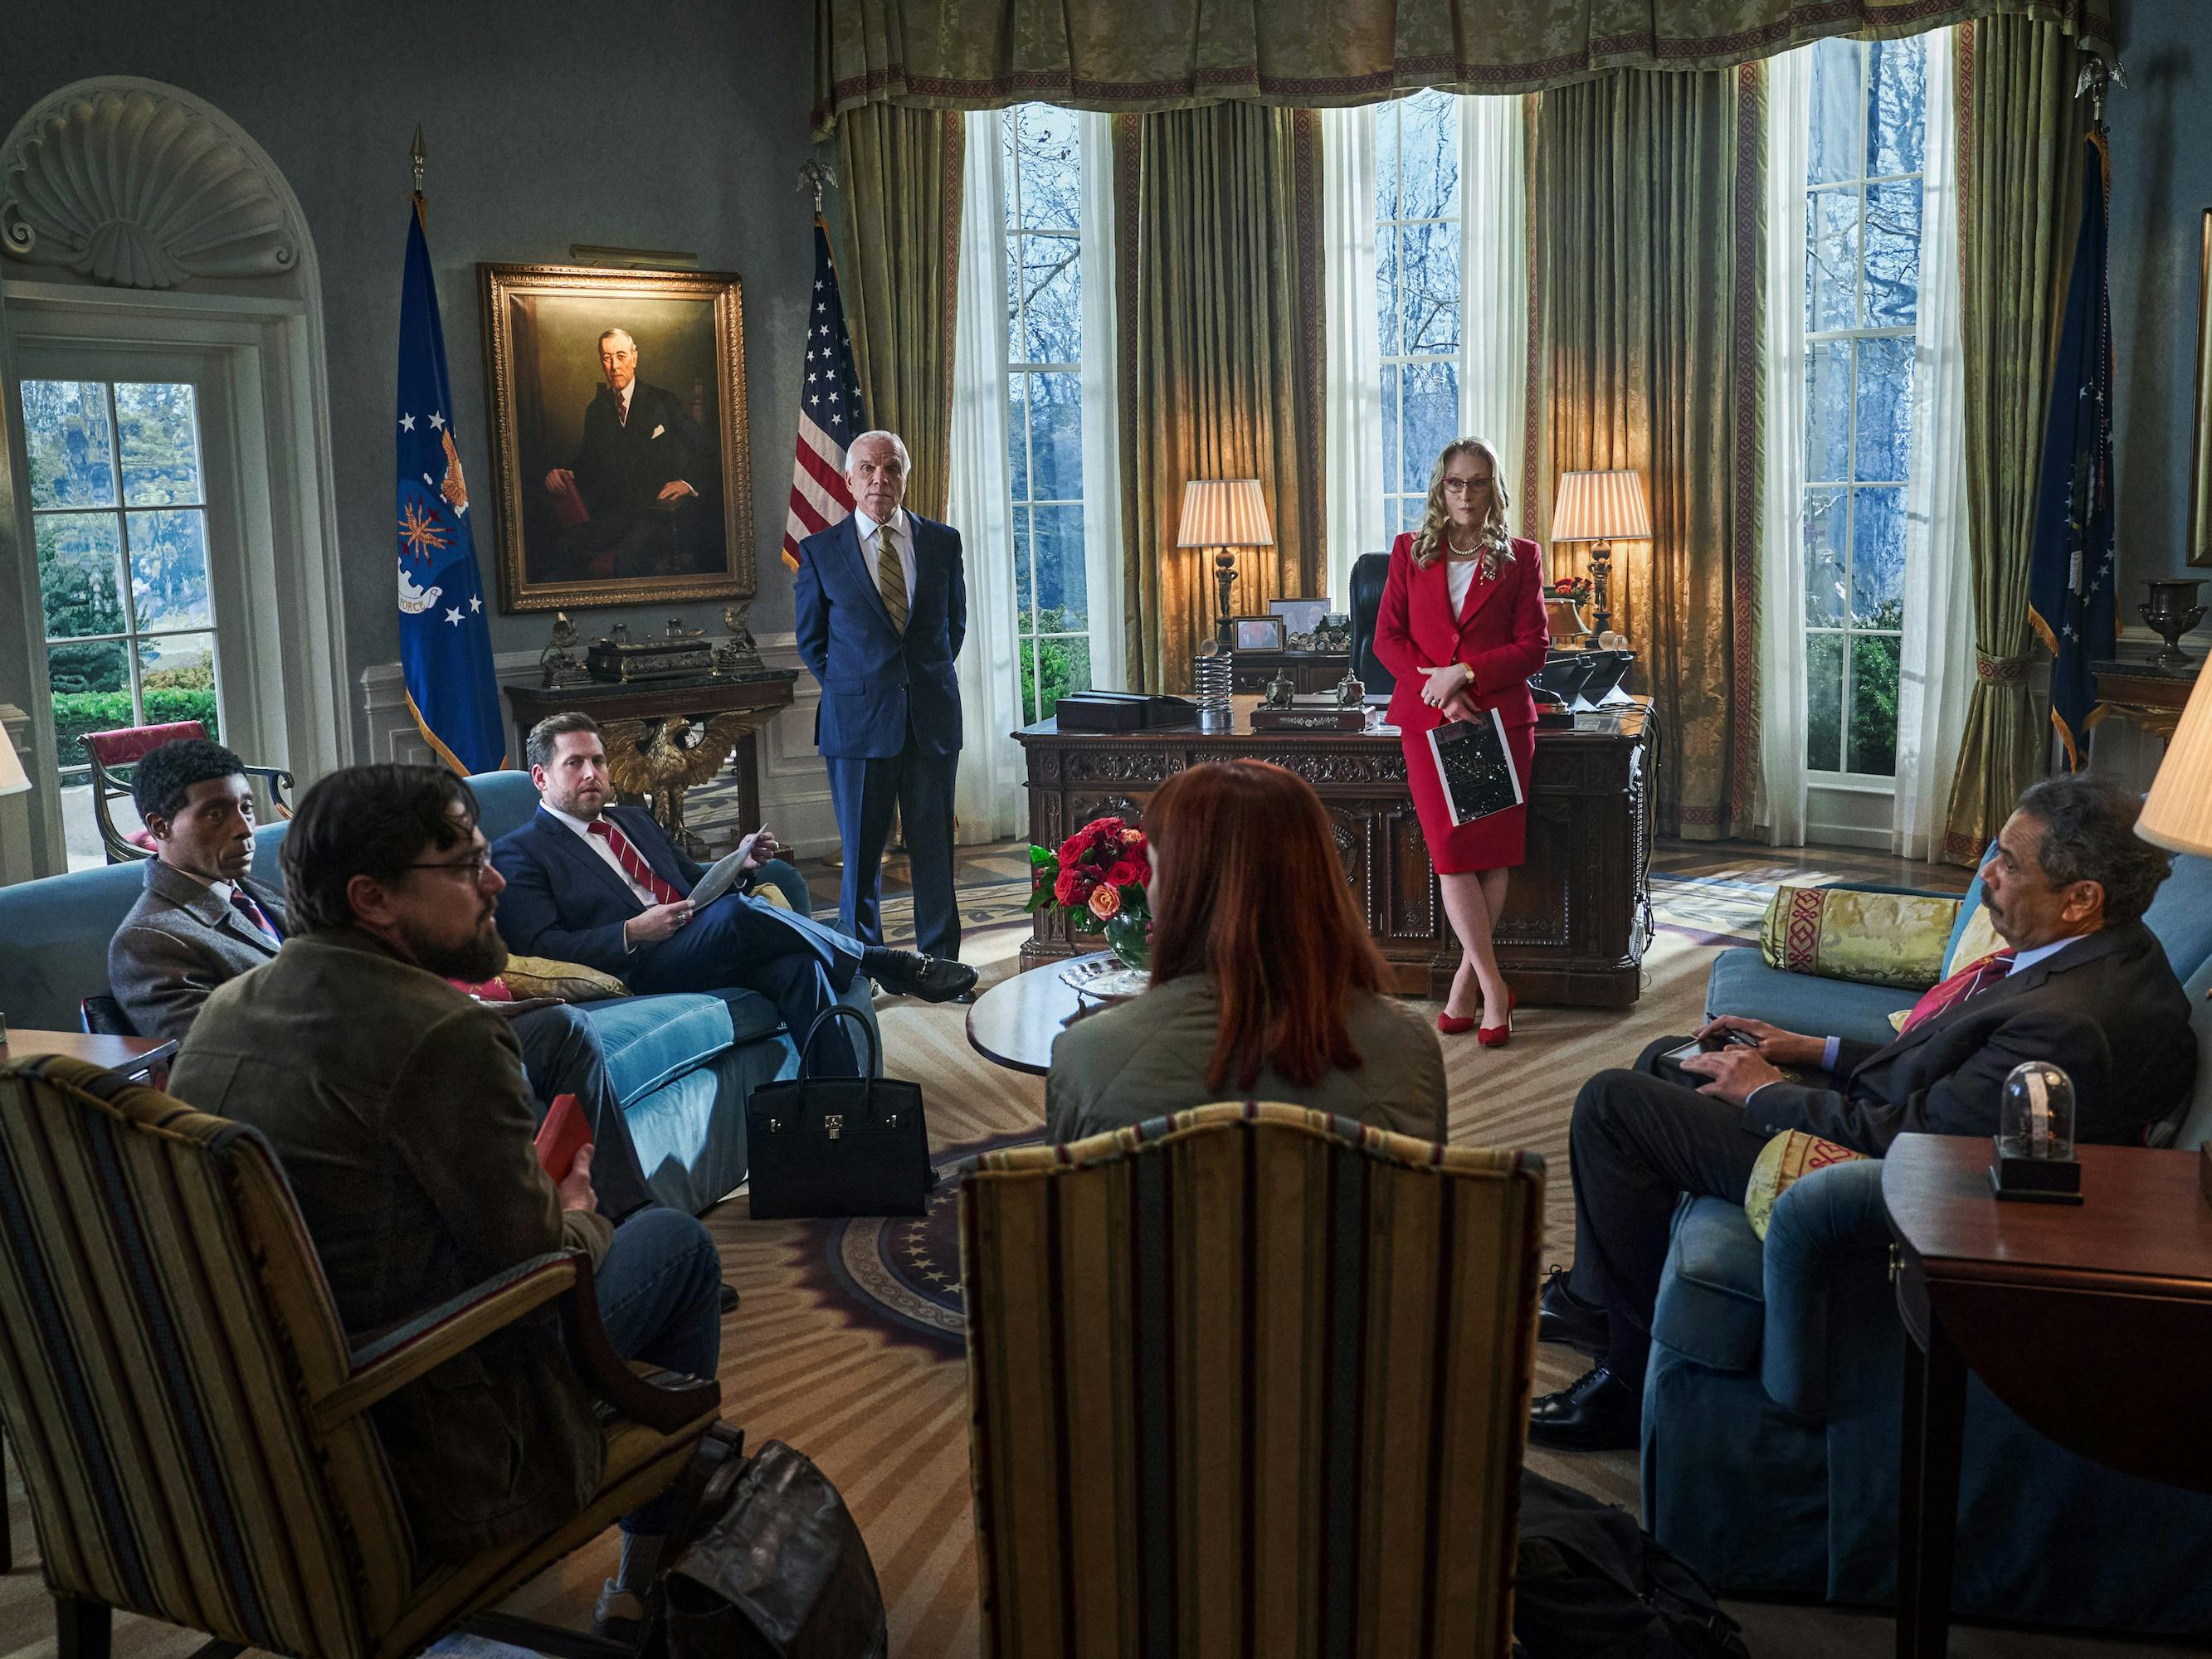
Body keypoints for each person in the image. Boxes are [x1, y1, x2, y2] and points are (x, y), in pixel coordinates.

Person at [167, 764, 721, 1629]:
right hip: (429, 1431)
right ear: (374, 898)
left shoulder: (223, 1013)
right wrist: (580, 1211)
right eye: (464, 864)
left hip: (263, 1433)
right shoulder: (445, 1032)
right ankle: (648, 1578)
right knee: (674, 1243)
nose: (494, 881)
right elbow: (539, 1273)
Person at [1532, 775, 2199, 1452]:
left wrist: (1765, 1091)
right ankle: (1596, 1302)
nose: (1987, 874)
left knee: (1612, 1105)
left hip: (1895, 1187)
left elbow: (1923, 1141)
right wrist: (1809, 1048)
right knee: (1665, 1058)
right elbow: (1943, 1064)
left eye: (2008, 862)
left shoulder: (2071, 1025)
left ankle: (1627, 1380)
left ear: (2083, 898)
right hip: (1901, 1125)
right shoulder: (2106, 951)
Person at [108, 737, 661, 1224]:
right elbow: (227, 1055)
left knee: (562, 1028)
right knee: (679, 1248)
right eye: (216, 815)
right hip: (340, 1083)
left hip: (398, 1034)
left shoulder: (263, 895)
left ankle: (624, 1206)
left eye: (247, 807)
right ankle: (574, 1222)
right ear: (159, 828)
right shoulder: (151, 939)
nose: (244, 827)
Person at [490, 713, 974, 1078]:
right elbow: (541, 947)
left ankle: (844, 1115)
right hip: (642, 964)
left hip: (703, 939)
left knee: (798, 967)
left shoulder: (632, 820)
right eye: (574, 764)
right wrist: (631, 931)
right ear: (541, 777)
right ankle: (881, 961)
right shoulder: (519, 852)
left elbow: (693, 881)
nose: (591, 773)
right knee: (741, 913)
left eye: (597, 761)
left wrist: (737, 867)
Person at [1045, 761, 1447, 1144]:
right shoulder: (1408, 1051)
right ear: (1322, 882)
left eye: (1155, 870)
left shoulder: (1085, 1059)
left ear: (1177, 890)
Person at [1371, 436, 1549, 1048]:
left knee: (1490, 853)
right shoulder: (1408, 552)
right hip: (1430, 722)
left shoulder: (1520, 557)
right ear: (1440, 489)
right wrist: (1440, 689)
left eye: (1477, 483)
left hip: (1495, 721)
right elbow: (1387, 639)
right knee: (1450, 852)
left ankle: (1465, 988)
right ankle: (1494, 988)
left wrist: (1467, 674)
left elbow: (1534, 646)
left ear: (1492, 490)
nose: (1465, 494)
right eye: (1455, 483)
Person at [792, 430, 967, 973]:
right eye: (867, 469)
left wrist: (919, 681)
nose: (879, 479)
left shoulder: (942, 543)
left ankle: (941, 965)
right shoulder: (820, 552)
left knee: (934, 853)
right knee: (862, 861)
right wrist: (861, 687)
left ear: (904, 478)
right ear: (848, 481)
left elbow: (952, 628)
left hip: (931, 720)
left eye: (891, 468)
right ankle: (862, 965)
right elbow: (813, 643)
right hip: (857, 724)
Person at [541, 326, 716, 581]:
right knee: (566, 546)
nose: (614, 366)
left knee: (627, 559)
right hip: (617, 514)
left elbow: (706, 450)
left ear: (635, 357)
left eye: (621, 356)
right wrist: (562, 473)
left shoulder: (663, 402)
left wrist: (687, 483)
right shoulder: (597, 410)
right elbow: (586, 462)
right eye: (607, 358)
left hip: (659, 513)